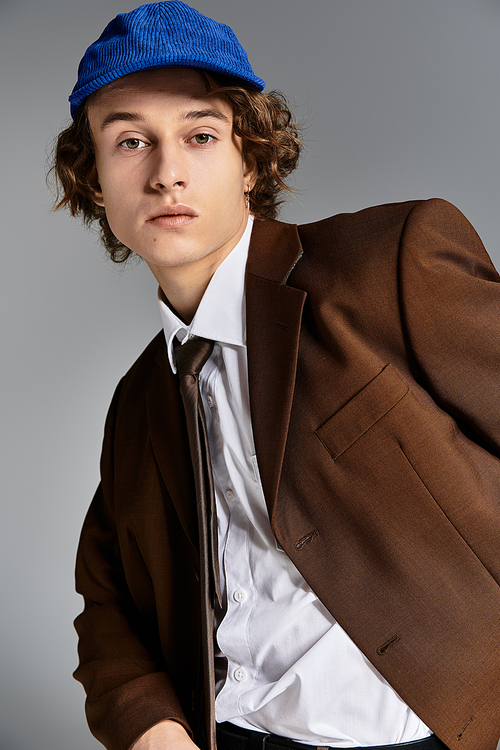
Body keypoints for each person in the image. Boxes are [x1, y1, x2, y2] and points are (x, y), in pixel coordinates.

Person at [51, 3, 500, 750]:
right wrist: (154, 729)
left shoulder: (387, 265)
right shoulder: (138, 402)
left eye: (200, 136)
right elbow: (108, 602)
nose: (167, 174)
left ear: (252, 159)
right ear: (95, 181)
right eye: (130, 142)